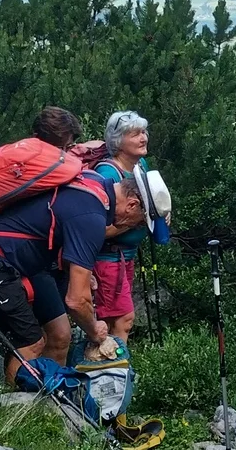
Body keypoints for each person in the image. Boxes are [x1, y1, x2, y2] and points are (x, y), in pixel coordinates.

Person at [0, 169, 170, 384]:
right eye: (141, 222)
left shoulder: (92, 183)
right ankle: (14, 408)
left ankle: (48, 399)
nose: (134, 226)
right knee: (32, 343)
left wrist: (77, 273)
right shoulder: (93, 218)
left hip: (23, 262)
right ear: (132, 205)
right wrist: (94, 330)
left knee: (60, 334)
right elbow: (77, 301)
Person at [92, 110, 153, 345]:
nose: (143, 137)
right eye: (135, 133)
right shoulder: (107, 174)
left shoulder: (141, 166)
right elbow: (98, 229)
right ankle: (114, 372)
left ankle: (109, 370)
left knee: (110, 319)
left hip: (125, 257)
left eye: (144, 132)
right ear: (118, 141)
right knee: (122, 319)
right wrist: (139, 220)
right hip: (108, 258)